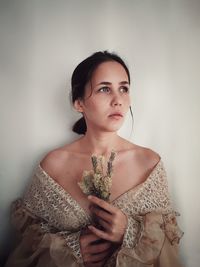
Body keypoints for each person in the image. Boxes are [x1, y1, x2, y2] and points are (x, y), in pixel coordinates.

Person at [5, 51, 184, 267]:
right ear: (79, 103)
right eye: (104, 89)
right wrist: (70, 248)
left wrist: (129, 232)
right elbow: (28, 245)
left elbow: (169, 249)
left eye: (124, 89)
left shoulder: (149, 164)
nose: (118, 100)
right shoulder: (53, 165)